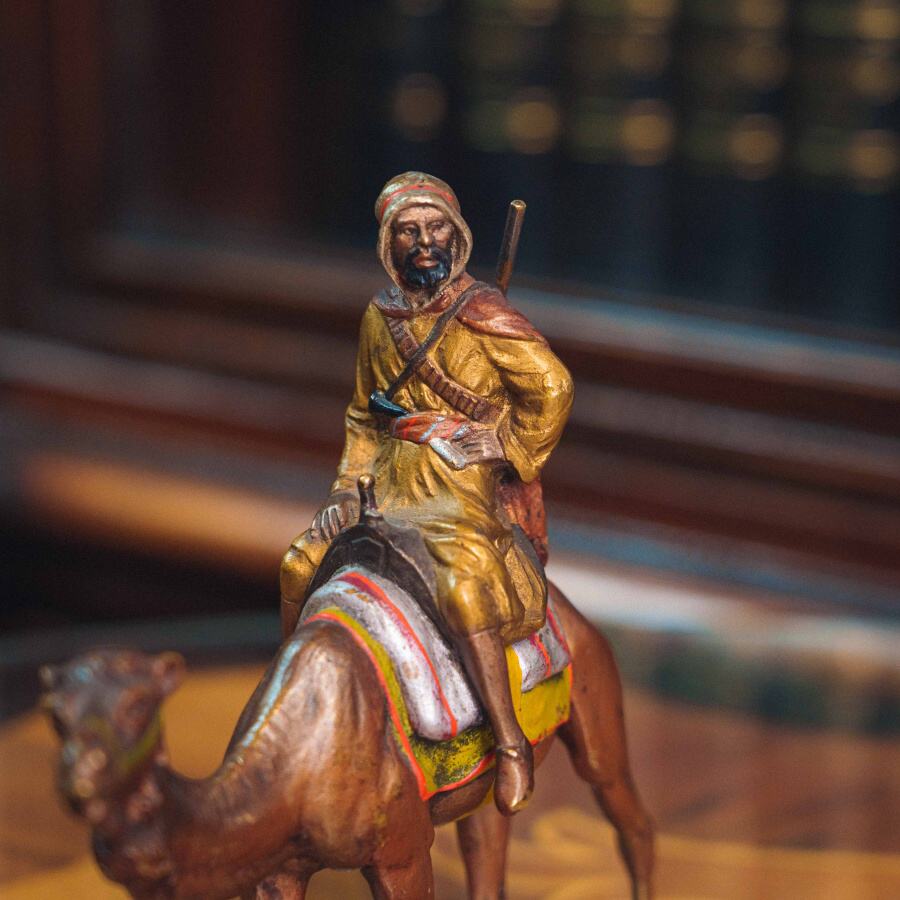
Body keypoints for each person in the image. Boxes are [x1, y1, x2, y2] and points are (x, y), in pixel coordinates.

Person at [280, 171, 573, 815]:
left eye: (435, 228)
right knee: (300, 562)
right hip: (384, 479)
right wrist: (344, 490)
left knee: (462, 588)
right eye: (408, 232)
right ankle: (293, 717)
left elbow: (552, 387)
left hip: (457, 485)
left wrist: (504, 444)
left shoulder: (484, 312)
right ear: (389, 243)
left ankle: (509, 744)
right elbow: (364, 417)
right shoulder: (379, 317)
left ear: (456, 234)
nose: (424, 243)